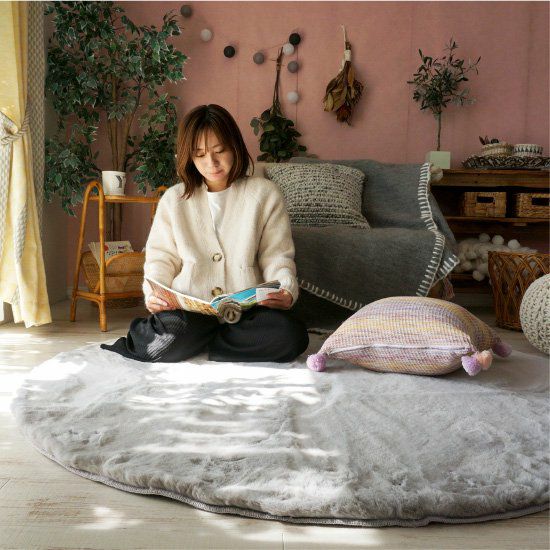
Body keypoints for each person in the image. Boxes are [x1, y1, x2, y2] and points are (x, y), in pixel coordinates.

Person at [101, 104, 309, 363]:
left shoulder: (265, 194)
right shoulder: (174, 199)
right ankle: (214, 341)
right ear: (188, 157)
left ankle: (201, 342)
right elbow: (161, 258)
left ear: (235, 146)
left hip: (246, 313)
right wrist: (154, 295)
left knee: (291, 336)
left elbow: (276, 256)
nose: (211, 163)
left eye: (220, 151)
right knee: (157, 344)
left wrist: (285, 289)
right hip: (190, 310)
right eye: (199, 154)